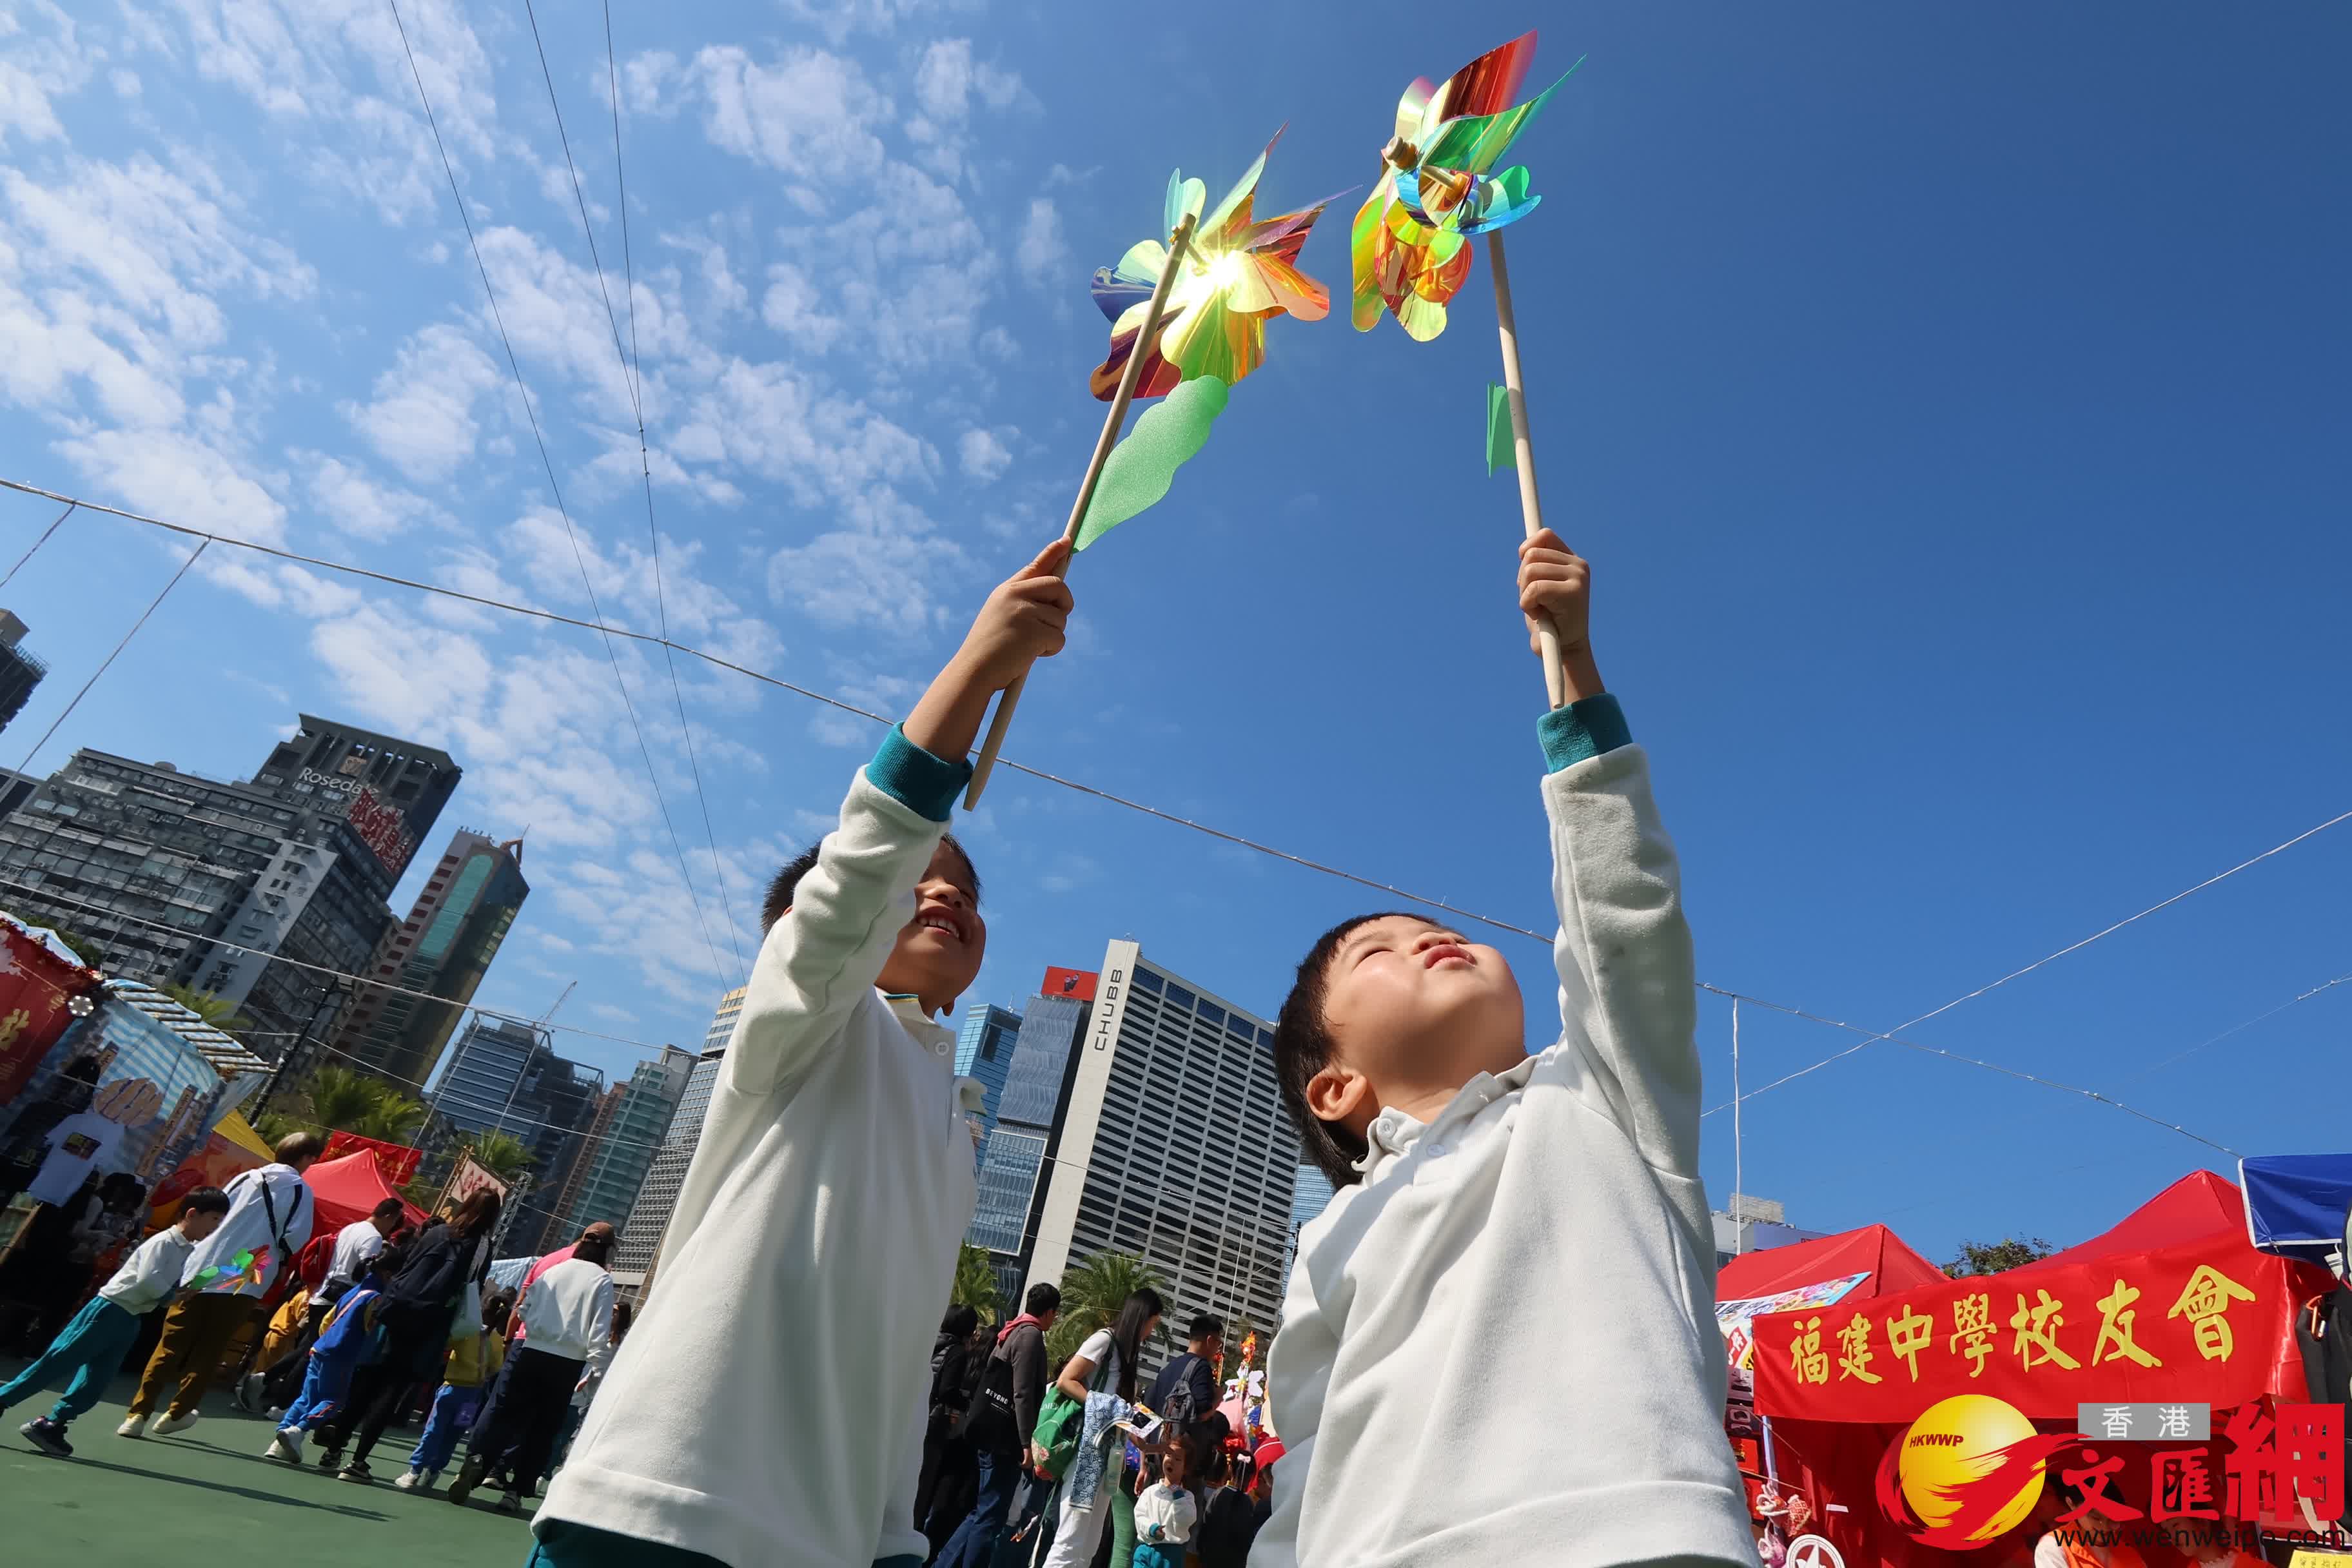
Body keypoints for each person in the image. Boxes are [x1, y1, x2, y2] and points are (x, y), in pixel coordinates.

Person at [532, 542, 1075, 1568]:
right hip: (665, 1502)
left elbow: (896, 1353)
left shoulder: (953, 1125)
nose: (947, 893)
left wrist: (888, 1534)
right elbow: (856, 876)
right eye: (920, 879)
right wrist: (976, 667)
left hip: (826, 1540)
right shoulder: (810, 1024)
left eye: (966, 890)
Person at [1253, 531, 1756, 1567]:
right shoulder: (1333, 1237)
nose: (1426, 935)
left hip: (1639, 1538)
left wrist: (1573, 678)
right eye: (1378, 953)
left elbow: (1626, 926)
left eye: (1430, 927)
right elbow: (1309, 1452)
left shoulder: (1601, 1100)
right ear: (1335, 1086)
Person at [0, 1185, 230, 1456]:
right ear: (192, 1214)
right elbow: (148, 1281)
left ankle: (53, 1423)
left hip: (130, 1317)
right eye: (215, 1219)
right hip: (109, 1310)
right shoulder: (164, 1242)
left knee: (97, 1380)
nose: (216, 1227)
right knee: (55, 1363)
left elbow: (162, 1284)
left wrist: (188, 1289)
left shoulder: (185, 1249)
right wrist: (172, 1296)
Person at [121, 1130, 322, 1438]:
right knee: (211, 1348)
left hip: (204, 1265)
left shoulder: (246, 1178)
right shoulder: (300, 1190)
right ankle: (178, 1411)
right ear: (307, 1158)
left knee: (171, 1346)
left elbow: (219, 1216)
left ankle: (138, 1414)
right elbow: (295, 1239)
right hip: (247, 1272)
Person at [312, 1187, 501, 1482]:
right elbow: (472, 1288)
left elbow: (409, 1263)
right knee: (393, 1391)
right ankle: (358, 1462)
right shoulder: (481, 1246)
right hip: (431, 1321)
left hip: (394, 1310)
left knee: (367, 1383)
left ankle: (334, 1450)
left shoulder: (437, 1233)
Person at [453, 1222, 616, 1512]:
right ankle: (515, 1491)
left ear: (580, 1243)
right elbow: (599, 1330)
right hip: (566, 1362)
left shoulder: (553, 1270)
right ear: (608, 1250)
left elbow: (524, 1308)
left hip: (529, 1351)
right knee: (543, 1428)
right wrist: (596, 1368)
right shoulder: (601, 1280)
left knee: (503, 1413)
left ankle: (478, 1461)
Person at [936, 1283, 1061, 1568]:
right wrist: (1027, 1443)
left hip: (991, 1433)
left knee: (983, 1512)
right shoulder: (1030, 1336)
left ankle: (944, 1563)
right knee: (991, 1515)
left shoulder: (1013, 1329)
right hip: (1004, 1441)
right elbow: (1023, 1393)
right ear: (1050, 1312)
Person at [1039, 1288, 1164, 1568]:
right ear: (1141, 1318)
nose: (1151, 1332)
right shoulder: (1104, 1341)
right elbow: (1066, 1381)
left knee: (1089, 1544)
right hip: (1087, 1454)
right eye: (1152, 1323)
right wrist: (1110, 1406)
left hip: (1109, 1458)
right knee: (1071, 1539)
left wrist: (1150, 1441)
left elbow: (1122, 1415)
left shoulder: (1125, 1355)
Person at [244, 1196, 404, 1411]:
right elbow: (368, 1273)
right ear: (388, 1217)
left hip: (324, 1293)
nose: (391, 1228)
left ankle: (264, 1381)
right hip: (342, 1299)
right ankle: (280, 1404)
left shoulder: (351, 1228)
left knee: (307, 1348)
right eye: (393, 1222)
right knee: (313, 1352)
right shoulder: (373, 1238)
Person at [263, 1256, 393, 1462]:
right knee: (333, 1400)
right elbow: (370, 1331)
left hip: (321, 1347)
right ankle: (299, 1430)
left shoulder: (354, 1291)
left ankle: (279, 1442)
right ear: (387, 1274)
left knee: (307, 1398)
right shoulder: (375, 1298)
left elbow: (327, 1320)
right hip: (342, 1353)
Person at [394, 1288, 513, 1492]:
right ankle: (435, 1471)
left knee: (434, 1430)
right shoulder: (496, 1339)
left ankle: (415, 1471)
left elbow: (447, 1344)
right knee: (453, 1435)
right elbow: (496, 1366)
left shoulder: (467, 1331)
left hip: (451, 1390)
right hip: (473, 1397)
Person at [916, 1305, 985, 1549]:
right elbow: (947, 1390)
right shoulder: (956, 1351)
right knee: (924, 1485)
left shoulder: (930, 1340)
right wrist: (966, 1401)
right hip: (934, 1422)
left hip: (915, 1413)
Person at [1128, 1439, 1195, 1568]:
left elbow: (1185, 1520)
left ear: (1185, 1469)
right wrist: (1151, 1529)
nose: (1171, 1461)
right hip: (1145, 1550)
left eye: (1178, 1459)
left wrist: (1177, 1493)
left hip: (1171, 1556)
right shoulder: (1150, 1492)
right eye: (1168, 1455)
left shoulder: (1187, 1497)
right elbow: (1139, 1516)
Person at [1193, 1455, 1264, 1568]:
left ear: (1230, 1469)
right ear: (1252, 1476)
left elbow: (1205, 1526)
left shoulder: (1218, 1495)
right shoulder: (1249, 1503)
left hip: (1211, 1559)